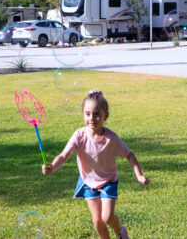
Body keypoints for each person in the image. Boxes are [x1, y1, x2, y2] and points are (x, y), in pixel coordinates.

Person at [42, 89, 149, 239]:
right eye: (87, 114)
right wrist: (52, 167)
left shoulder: (111, 139)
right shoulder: (79, 135)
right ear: (83, 114)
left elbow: (130, 155)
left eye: (97, 114)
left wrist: (139, 175)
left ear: (106, 116)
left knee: (107, 218)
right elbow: (64, 155)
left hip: (108, 182)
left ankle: (120, 232)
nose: (92, 118)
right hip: (88, 182)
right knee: (97, 221)